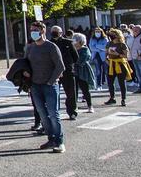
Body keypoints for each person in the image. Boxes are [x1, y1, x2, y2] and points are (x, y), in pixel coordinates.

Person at [23, 21, 65, 152]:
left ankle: (59, 141)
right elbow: (25, 64)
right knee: (42, 114)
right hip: (35, 85)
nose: (33, 32)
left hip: (50, 85)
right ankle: (51, 138)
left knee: (53, 114)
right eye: (31, 30)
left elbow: (60, 66)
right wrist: (25, 74)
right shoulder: (30, 48)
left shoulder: (51, 47)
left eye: (35, 30)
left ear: (43, 31)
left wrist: (51, 81)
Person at [49, 26, 81, 120]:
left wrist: (69, 65)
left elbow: (75, 57)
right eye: (53, 31)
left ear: (61, 32)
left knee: (70, 92)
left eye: (57, 31)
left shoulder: (68, 42)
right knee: (54, 93)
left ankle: (72, 111)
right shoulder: (49, 43)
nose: (55, 33)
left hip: (67, 71)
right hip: (53, 72)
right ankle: (55, 113)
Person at [104, 28, 131, 106]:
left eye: (113, 34)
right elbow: (106, 53)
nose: (111, 36)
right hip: (111, 64)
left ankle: (123, 99)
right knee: (110, 82)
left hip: (120, 64)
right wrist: (106, 60)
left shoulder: (122, 44)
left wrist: (117, 54)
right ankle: (112, 98)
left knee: (121, 82)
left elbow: (126, 55)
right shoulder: (109, 43)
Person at [71, 33, 96, 113]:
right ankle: (74, 107)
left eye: (76, 40)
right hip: (73, 71)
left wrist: (73, 62)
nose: (74, 42)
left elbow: (81, 60)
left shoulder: (85, 50)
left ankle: (90, 106)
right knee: (73, 90)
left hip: (83, 71)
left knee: (85, 89)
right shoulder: (72, 49)